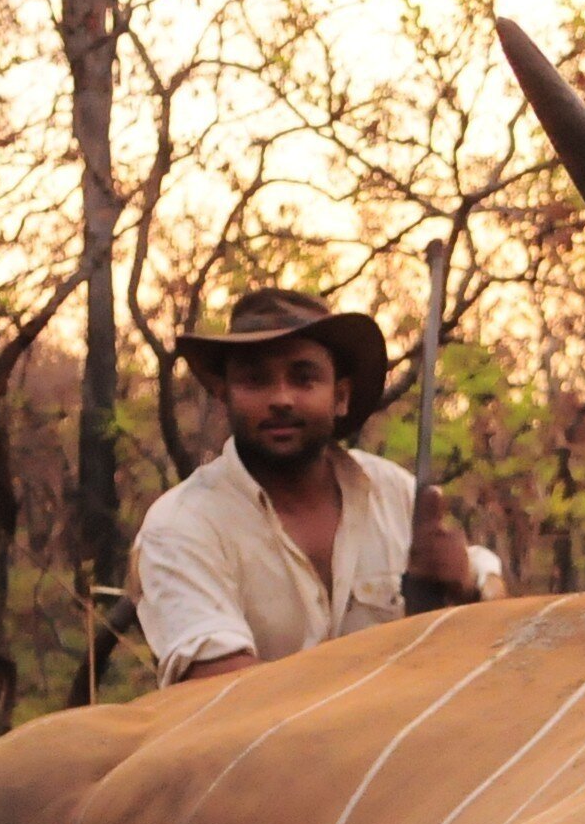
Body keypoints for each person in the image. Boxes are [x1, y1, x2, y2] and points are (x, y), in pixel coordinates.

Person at [130, 286, 504, 686]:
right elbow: (226, 692)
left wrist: (464, 585)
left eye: (304, 378)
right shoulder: (180, 526)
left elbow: (492, 588)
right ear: (225, 397)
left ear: (340, 396)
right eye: (256, 381)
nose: (282, 399)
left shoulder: (393, 492)